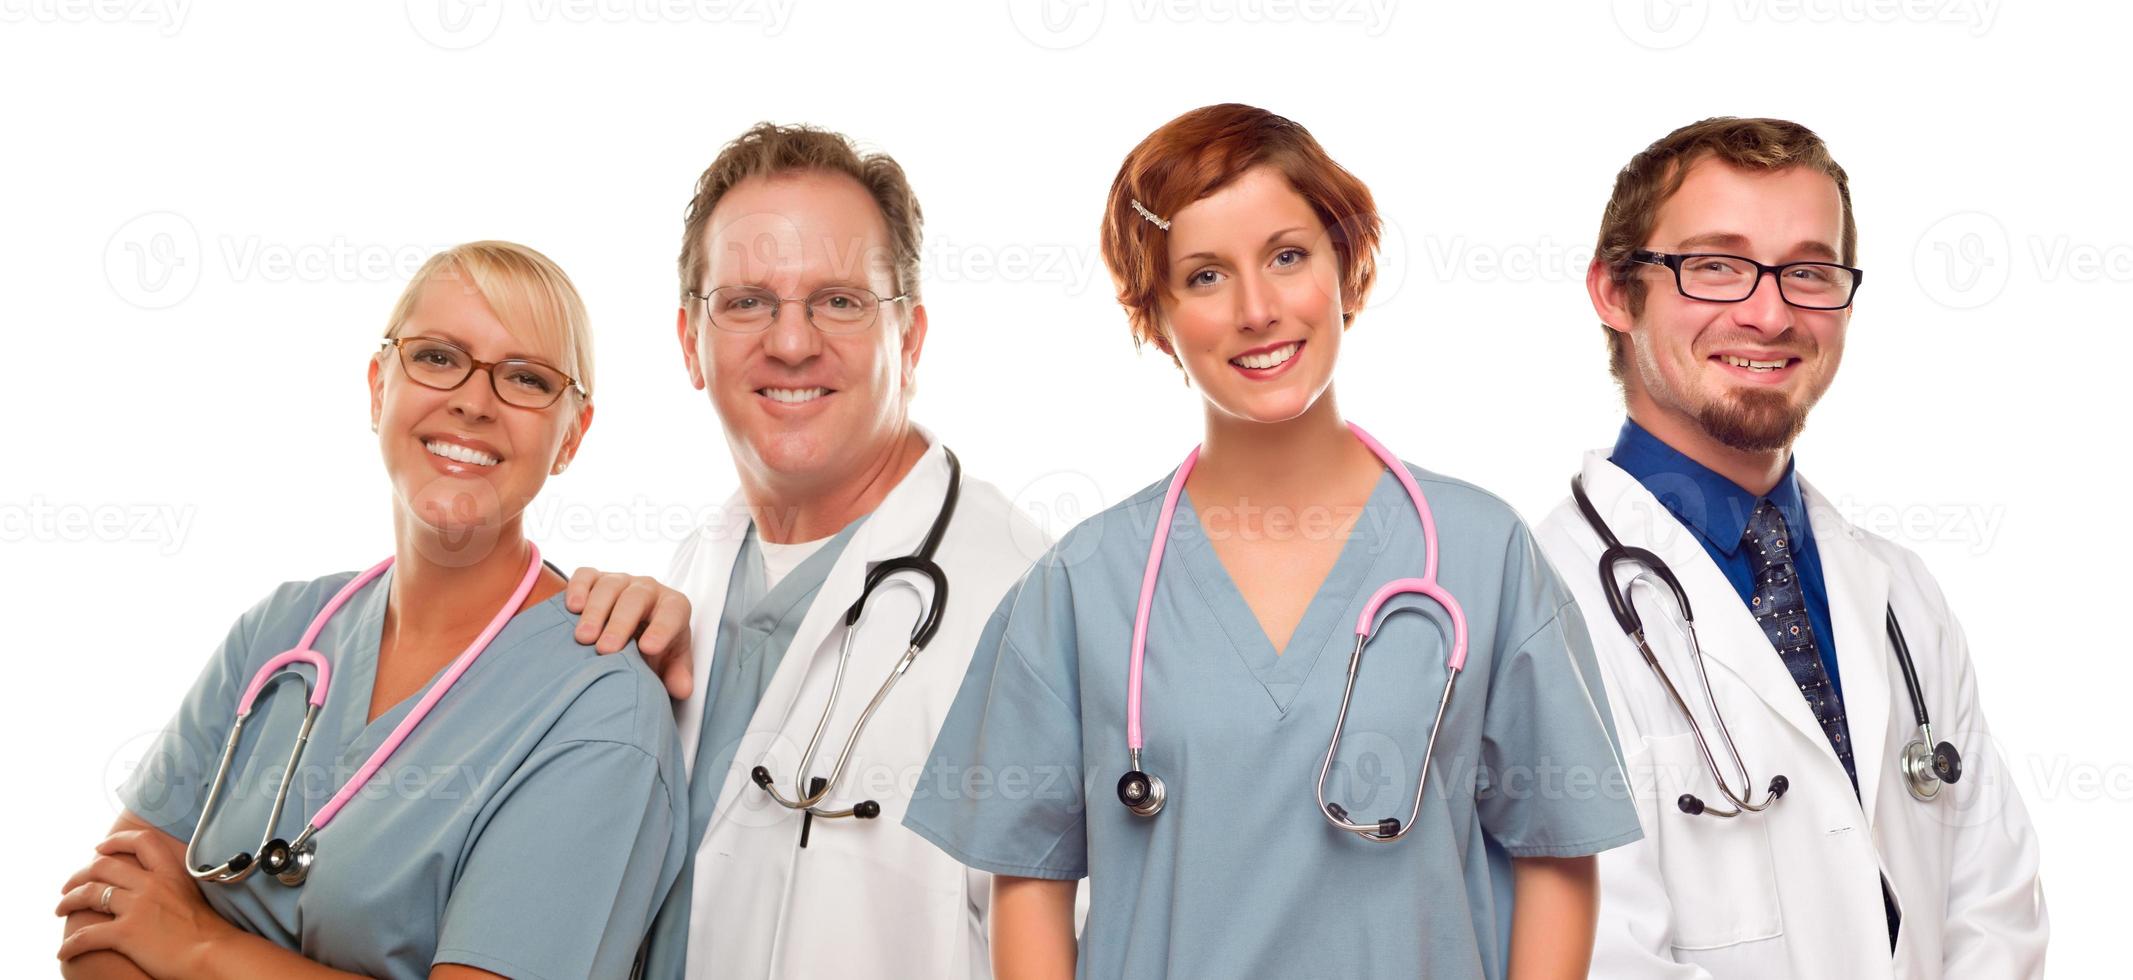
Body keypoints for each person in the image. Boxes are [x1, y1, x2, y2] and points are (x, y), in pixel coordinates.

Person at [902, 103, 1642, 980]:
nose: (1256, 309)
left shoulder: (1483, 554)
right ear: (1156, 314)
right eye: (1205, 276)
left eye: (1286, 257)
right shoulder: (1081, 583)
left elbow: (1556, 852)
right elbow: (1028, 882)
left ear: (1346, 266)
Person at [55, 241, 688, 978]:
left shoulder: (601, 711)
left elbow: (153, 932)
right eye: (438, 357)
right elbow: (103, 922)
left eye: (525, 378)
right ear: (377, 387)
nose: (474, 402)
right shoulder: (282, 631)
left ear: (571, 437)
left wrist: (196, 945)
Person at [1534, 117, 2049, 977]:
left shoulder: (1898, 592)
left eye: (1808, 271)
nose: (1769, 313)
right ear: (1616, 295)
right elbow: (1598, 958)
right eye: (1715, 266)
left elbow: (1994, 904)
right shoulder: (1537, 610)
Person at [565, 123, 1051, 979]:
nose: (792, 342)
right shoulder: (692, 572)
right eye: (747, 301)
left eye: (839, 300)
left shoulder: (1031, 605)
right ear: (690, 342)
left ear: (911, 338)